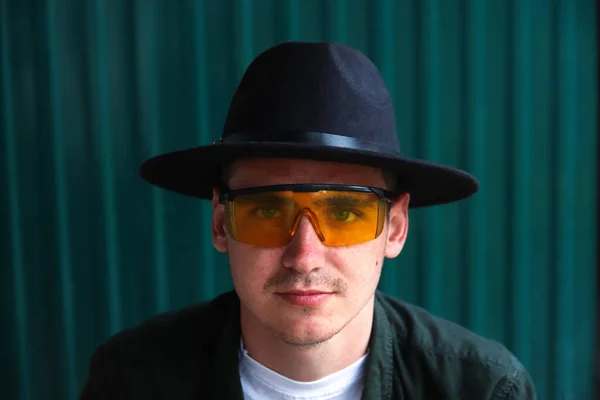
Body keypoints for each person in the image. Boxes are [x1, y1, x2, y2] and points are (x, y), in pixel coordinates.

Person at [80, 41, 536, 399]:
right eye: (266, 210)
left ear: (394, 228)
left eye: (343, 212)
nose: (303, 256)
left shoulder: (482, 389)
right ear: (221, 224)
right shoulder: (131, 381)